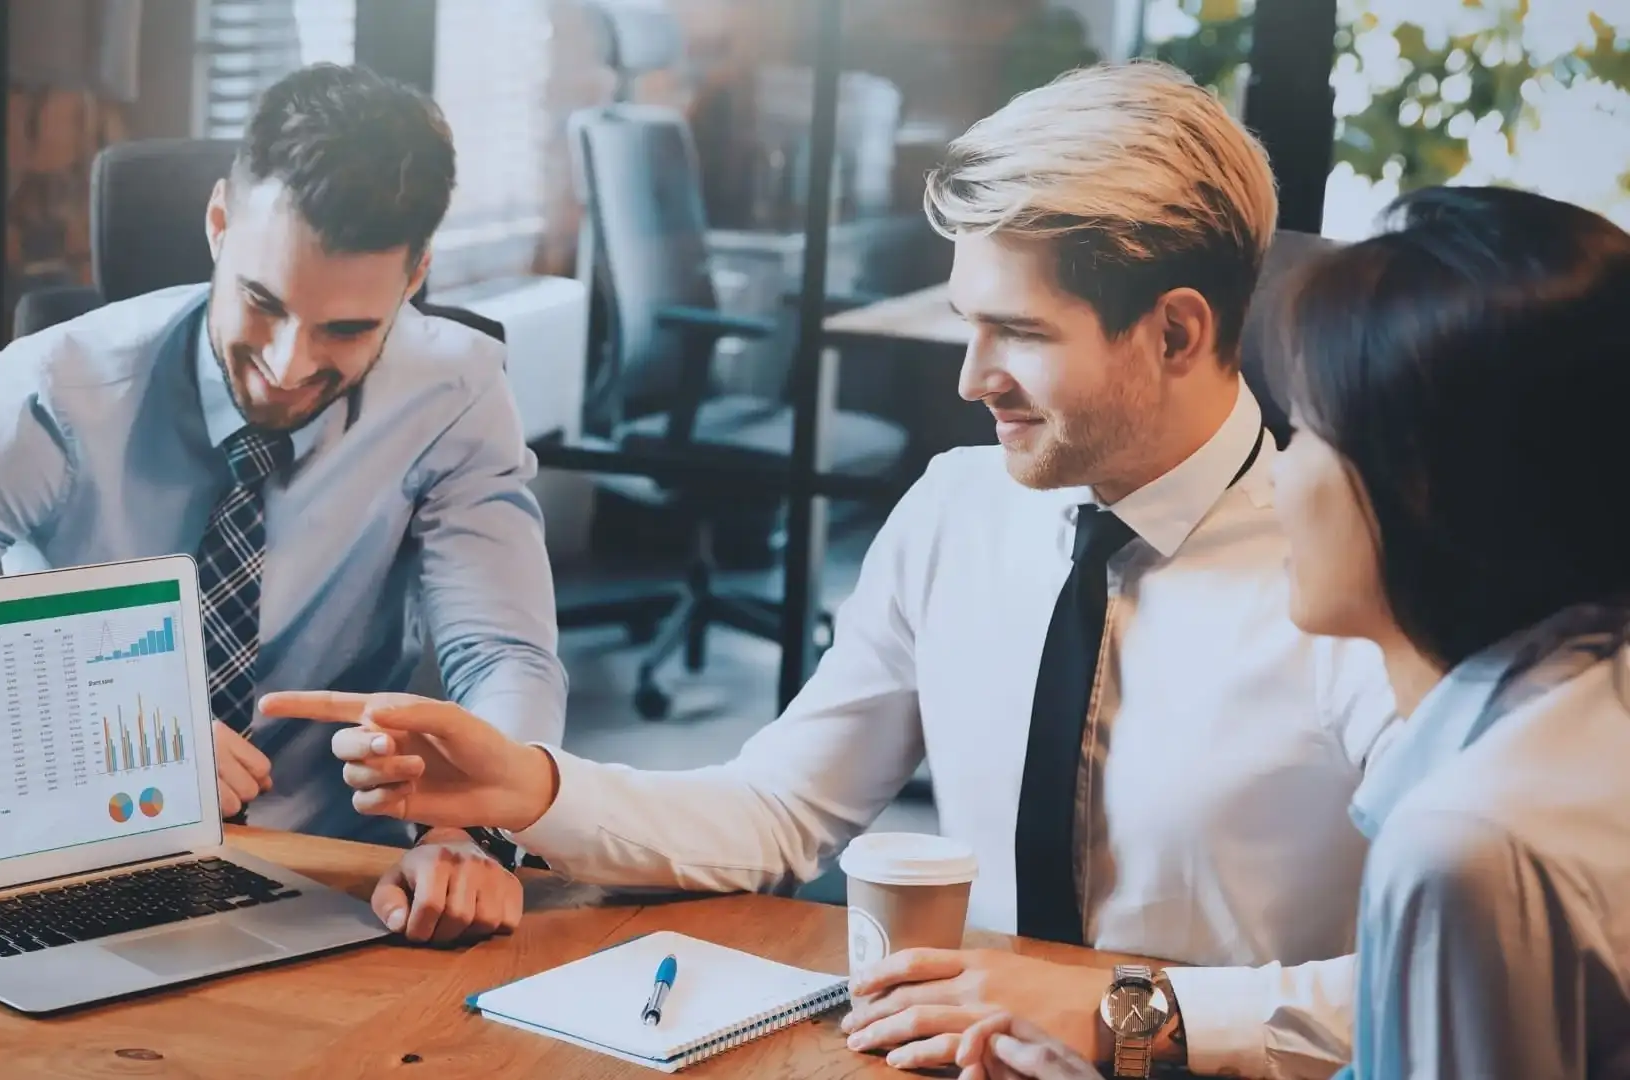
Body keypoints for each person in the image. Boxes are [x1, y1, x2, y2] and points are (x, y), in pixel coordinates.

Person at [261, 60, 1400, 1079]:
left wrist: (1125, 1014)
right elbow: (780, 811)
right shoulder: (958, 510)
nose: (969, 378)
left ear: (1178, 333)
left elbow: (1447, 975)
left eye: (1021, 334)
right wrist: (533, 788)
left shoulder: (1359, 584)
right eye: (967, 322)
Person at [0, 63, 563, 946]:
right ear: (218, 224)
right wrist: (82, 727)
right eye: (262, 302)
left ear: (414, 279)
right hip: (65, 861)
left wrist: (471, 830)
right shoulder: (50, 397)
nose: (288, 366)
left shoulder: (456, 392)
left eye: (345, 329)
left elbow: (504, 655)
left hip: (332, 879)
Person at [940, 187, 1630, 1078]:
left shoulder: (1466, 844)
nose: (1283, 474)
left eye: (1306, 431)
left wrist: (1122, 1025)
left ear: (1429, 493)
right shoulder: (1584, 711)